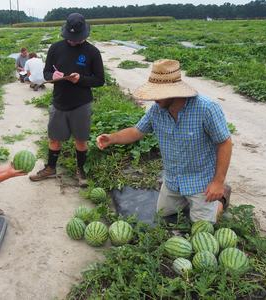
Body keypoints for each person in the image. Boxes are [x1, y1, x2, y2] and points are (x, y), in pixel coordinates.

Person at [96, 59, 232, 224]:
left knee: (202, 226)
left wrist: (218, 182)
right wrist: (112, 138)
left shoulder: (206, 109)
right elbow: (136, 131)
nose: (154, 98)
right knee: (162, 214)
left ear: (174, 91)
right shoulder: (156, 110)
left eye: (158, 93)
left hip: (200, 181)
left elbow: (225, 143)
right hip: (173, 180)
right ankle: (190, 201)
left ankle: (220, 200)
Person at [29, 13, 105, 187]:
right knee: (54, 138)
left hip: (81, 103)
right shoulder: (55, 48)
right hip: (59, 102)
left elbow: (100, 80)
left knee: (81, 139)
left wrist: (81, 79)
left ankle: (80, 169)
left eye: (77, 39)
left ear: (84, 34)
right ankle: (50, 167)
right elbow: (46, 73)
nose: (73, 41)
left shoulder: (92, 52)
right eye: (71, 38)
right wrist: (52, 76)